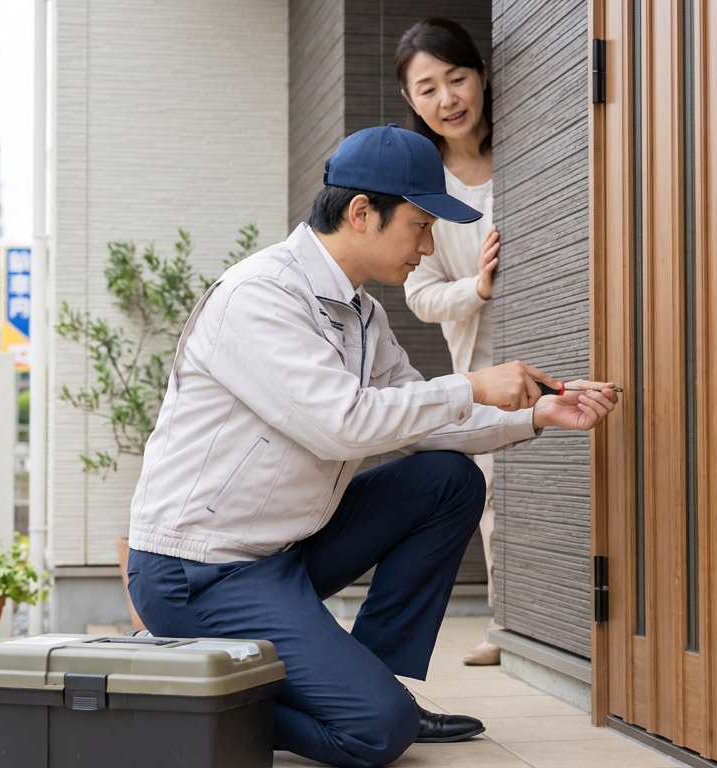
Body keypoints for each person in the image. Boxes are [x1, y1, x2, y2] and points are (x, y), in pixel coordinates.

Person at [126, 124, 617, 768]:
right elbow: (341, 424)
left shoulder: (362, 312)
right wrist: (471, 382)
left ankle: (374, 679)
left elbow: (419, 422)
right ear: (363, 214)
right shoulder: (260, 296)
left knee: (448, 480)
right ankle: (178, 698)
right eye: (420, 224)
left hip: (283, 551)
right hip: (200, 570)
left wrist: (535, 416)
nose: (428, 244)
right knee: (376, 733)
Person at [396, 18, 506, 666]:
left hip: (560, 326)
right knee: (496, 492)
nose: (448, 99)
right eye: (429, 87)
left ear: (482, 77)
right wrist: (478, 289)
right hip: (484, 356)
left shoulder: (522, 145)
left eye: (457, 78)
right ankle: (506, 619)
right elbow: (420, 293)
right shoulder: (424, 185)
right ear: (412, 102)